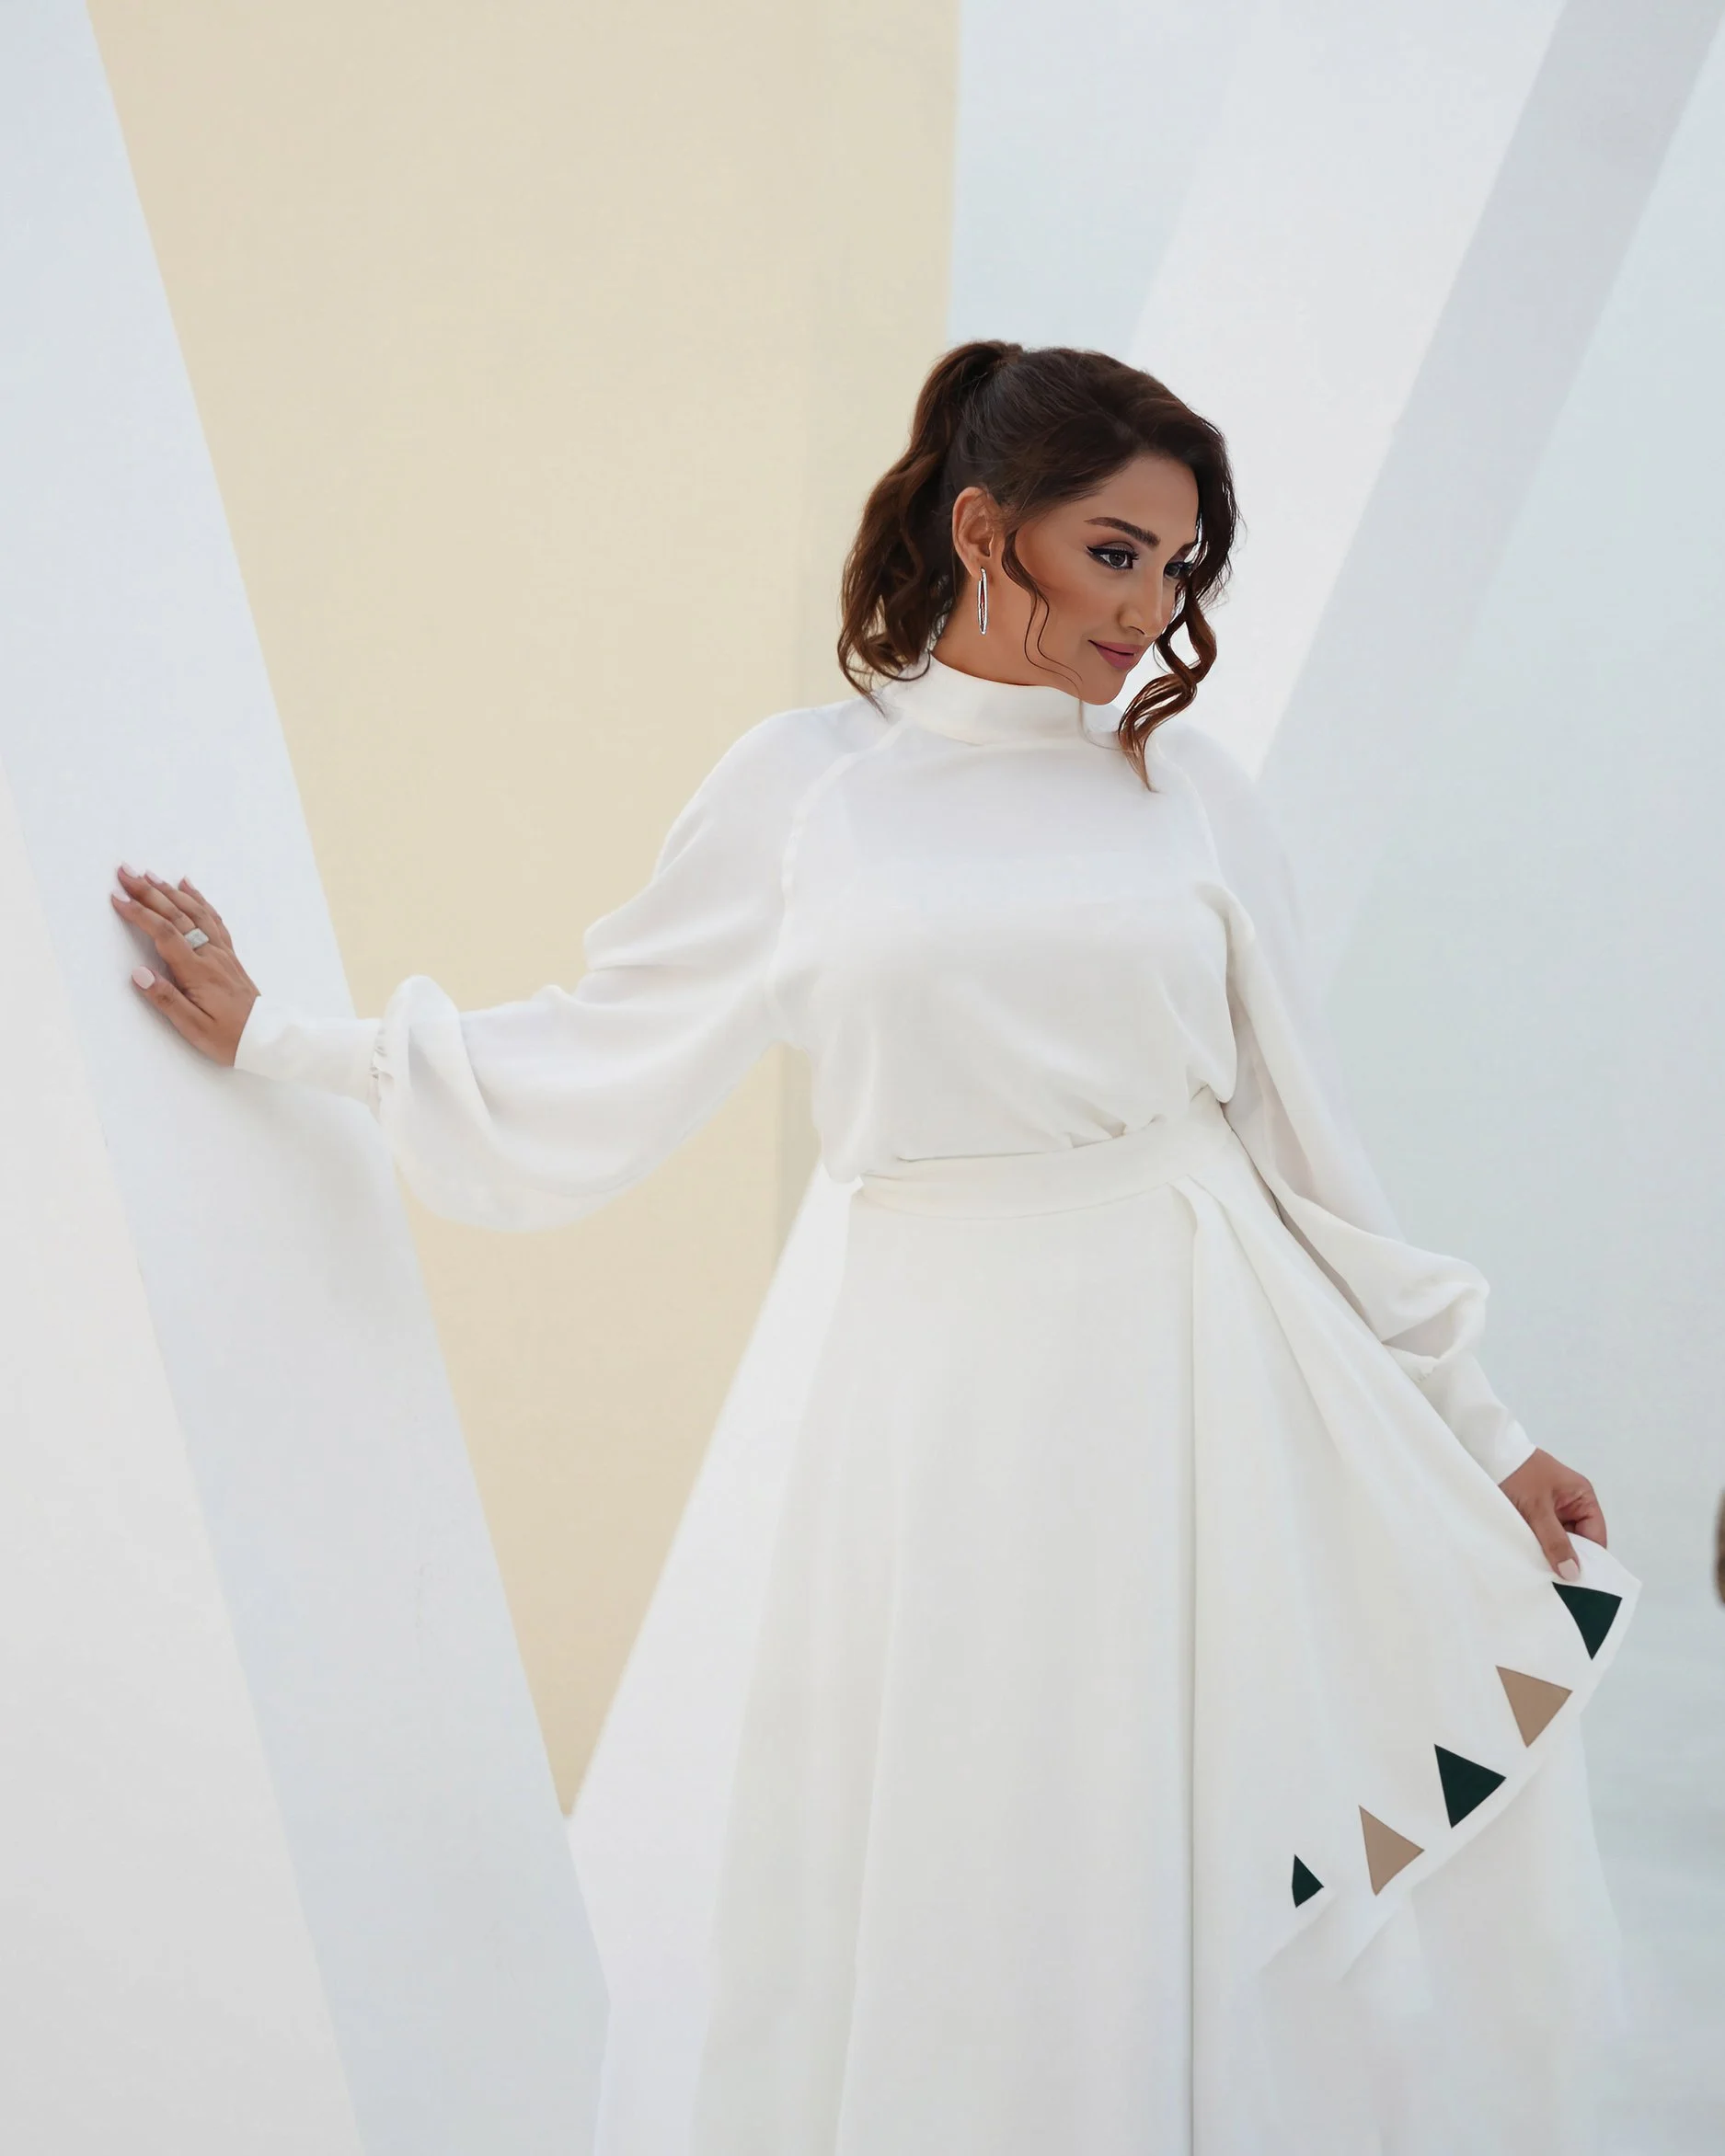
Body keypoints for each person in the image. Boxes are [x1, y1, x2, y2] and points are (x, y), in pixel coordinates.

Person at [112, 342, 1634, 2155]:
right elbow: (597, 1042)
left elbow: (1312, 1145)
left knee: (1199, 1858)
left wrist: (1479, 1427)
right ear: (986, 528)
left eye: (1181, 565)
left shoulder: (1187, 794)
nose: (1154, 610)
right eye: (1118, 553)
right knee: (975, 1847)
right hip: (940, 1392)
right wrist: (294, 1041)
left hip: (1194, 1372)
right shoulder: (806, 787)